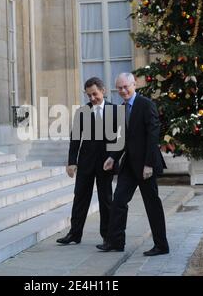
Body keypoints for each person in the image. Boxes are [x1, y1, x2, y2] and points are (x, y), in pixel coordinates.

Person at [97, 73, 169, 256]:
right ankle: (115, 242)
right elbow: (122, 139)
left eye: (125, 87)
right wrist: (112, 157)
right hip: (129, 165)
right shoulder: (121, 109)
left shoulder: (146, 105)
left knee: (152, 205)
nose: (122, 91)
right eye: (119, 88)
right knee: (119, 201)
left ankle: (161, 245)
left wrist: (149, 164)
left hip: (146, 165)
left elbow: (153, 136)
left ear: (134, 84)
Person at [56, 77, 118, 245]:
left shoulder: (115, 111)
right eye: (88, 95)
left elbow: (119, 140)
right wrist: (71, 162)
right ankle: (74, 234)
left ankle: (107, 236)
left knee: (106, 200)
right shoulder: (82, 112)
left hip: (106, 164)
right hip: (85, 163)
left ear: (103, 91)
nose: (92, 98)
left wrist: (113, 158)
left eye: (94, 94)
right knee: (80, 198)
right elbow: (75, 139)